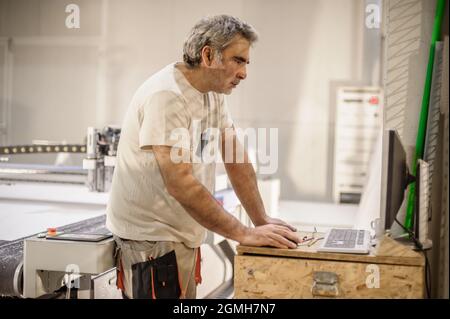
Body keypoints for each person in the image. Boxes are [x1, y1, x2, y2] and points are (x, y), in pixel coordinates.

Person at [106, 14, 300, 299]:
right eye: (238, 60)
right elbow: (180, 183)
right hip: (152, 239)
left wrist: (260, 219)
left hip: (179, 234)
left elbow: (235, 156)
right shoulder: (167, 97)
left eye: (246, 63)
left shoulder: (213, 92)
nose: (244, 72)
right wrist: (243, 234)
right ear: (208, 55)